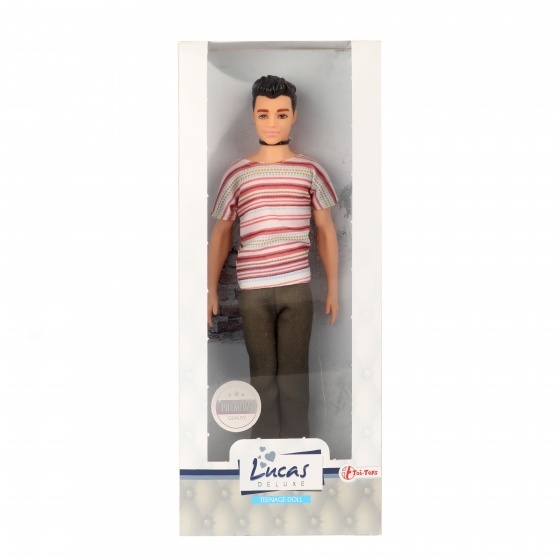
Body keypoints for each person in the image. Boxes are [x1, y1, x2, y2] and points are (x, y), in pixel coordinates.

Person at [207, 75, 339, 439]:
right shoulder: (238, 174)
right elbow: (221, 232)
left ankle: (297, 450)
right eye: (263, 114)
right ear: (253, 115)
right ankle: (262, 450)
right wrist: (211, 289)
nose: (272, 123)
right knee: (262, 376)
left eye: (281, 114)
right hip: (253, 292)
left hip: (297, 289)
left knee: (295, 377)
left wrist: (332, 287)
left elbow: (325, 230)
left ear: (294, 116)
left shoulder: (310, 171)